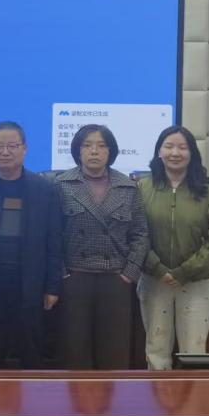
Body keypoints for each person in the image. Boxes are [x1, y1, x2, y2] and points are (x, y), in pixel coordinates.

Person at [0, 121, 63, 369]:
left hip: (29, 285)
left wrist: (52, 286)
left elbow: (54, 240)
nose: (5, 152)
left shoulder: (44, 189)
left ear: (25, 148)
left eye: (12, 146)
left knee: (31, 355)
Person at [56, 124, 148, 370]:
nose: (94, 151)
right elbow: (52, 234)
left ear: (111, 151)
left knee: (114, 355)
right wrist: (62, 273)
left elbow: (140, 234)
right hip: (76, 277)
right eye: (87, 145)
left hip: (115, 280)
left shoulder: (128, 187)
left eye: (101, 145)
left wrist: (129, 274)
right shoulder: (62, 185)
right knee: (75, 354)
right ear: (78, 151)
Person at [136, 125, 209, 370]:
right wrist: (158, 269)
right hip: (154, 280)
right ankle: (157, 395)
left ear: (192, 153)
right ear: (159, 152)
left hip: (197, 282)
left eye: (182, 147)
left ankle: (192, 396)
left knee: (194, 351)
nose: (175, 153)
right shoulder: (142, 188)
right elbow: (136, 233)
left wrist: (185, 271)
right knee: (156, 350)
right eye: (168, 146)